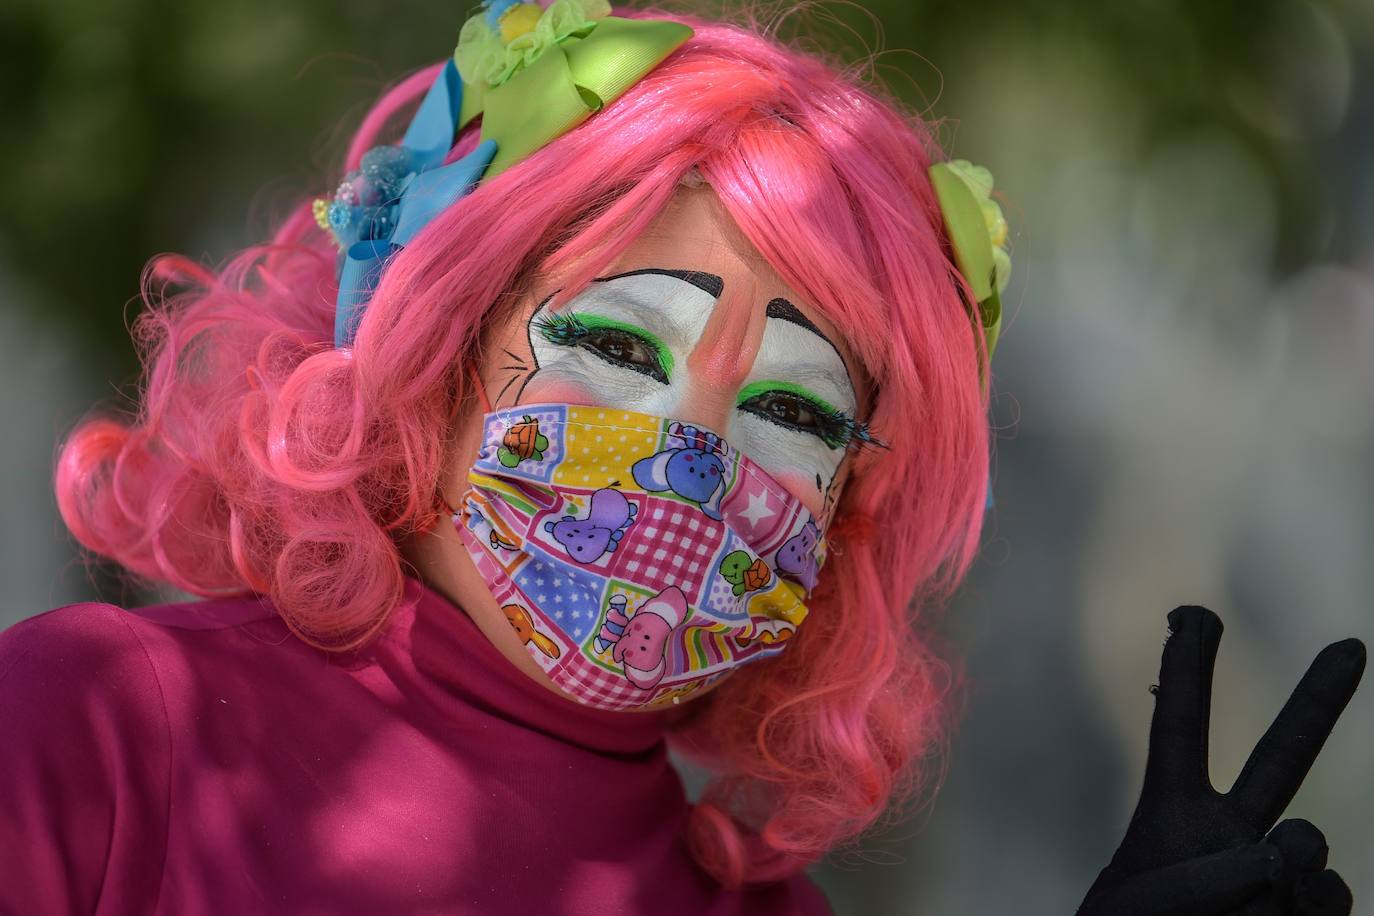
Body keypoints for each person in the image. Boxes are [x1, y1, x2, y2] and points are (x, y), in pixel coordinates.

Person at [0, 2, 1363, 914]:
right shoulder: (98, 732)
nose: (691, 459)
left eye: (796, 413)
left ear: (847, 513)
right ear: (432, 351)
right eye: (625, 349)